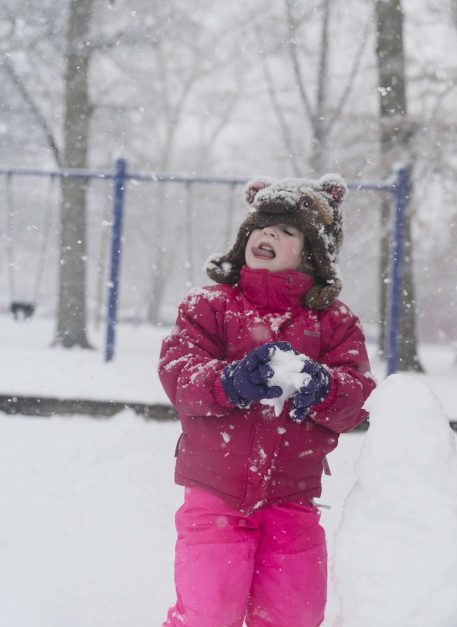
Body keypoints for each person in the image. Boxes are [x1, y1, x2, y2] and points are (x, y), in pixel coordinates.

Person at [158, 173, 375, 627]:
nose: (269, 234)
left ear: (312, 253)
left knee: (292, 613)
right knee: (208, 611)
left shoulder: (333, 322)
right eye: (261, 226)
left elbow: (356, 396)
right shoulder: (210, 305)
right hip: (215, 495)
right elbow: (179, 372)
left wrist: (322, 387)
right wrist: (231, 381)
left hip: (292, 498)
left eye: (288, 230)